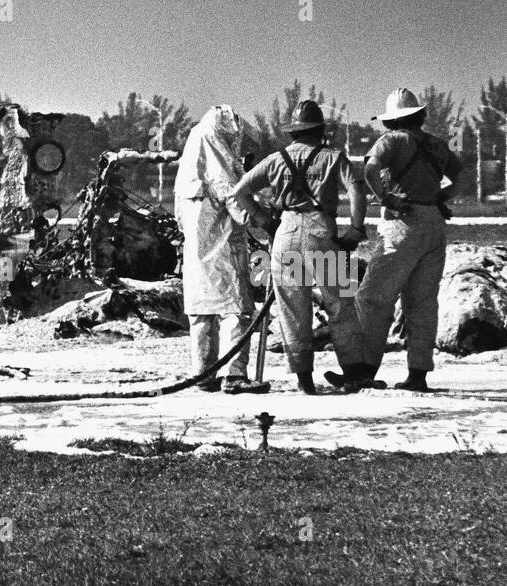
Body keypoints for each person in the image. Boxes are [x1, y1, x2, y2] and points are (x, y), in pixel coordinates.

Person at [230, 100, 369, 394]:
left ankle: (304, 379)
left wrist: (262, 219)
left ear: (293, 132)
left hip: (287, 233)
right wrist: (355, 229)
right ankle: (355, 372)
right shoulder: (333, 157)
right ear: (320, 130)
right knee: (341, 303)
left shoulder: (275, 159)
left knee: (293, 309)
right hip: (323, 233)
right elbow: (357, 188)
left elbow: (240, 191)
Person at [351, 88, 462, 391]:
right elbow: (458, 174)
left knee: (373, 297)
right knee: (422, 302)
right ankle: (418, 374)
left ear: (392, 119)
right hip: (434, 224)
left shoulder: (391, 140)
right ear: (419, 115)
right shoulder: (437, 144)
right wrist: (442, 195)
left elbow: (370, 168)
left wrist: (385, 198)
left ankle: (363, 369)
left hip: (404, 221)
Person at [174, 105, 269, 394]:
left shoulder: (187, 169)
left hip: (196, 250)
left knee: (201, 312)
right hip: (223, 246)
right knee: (235, 309)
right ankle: (234, 374)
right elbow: (237, 200)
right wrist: (265, 220)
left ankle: (203, 373)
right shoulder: (221, 164)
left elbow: (179, 215)